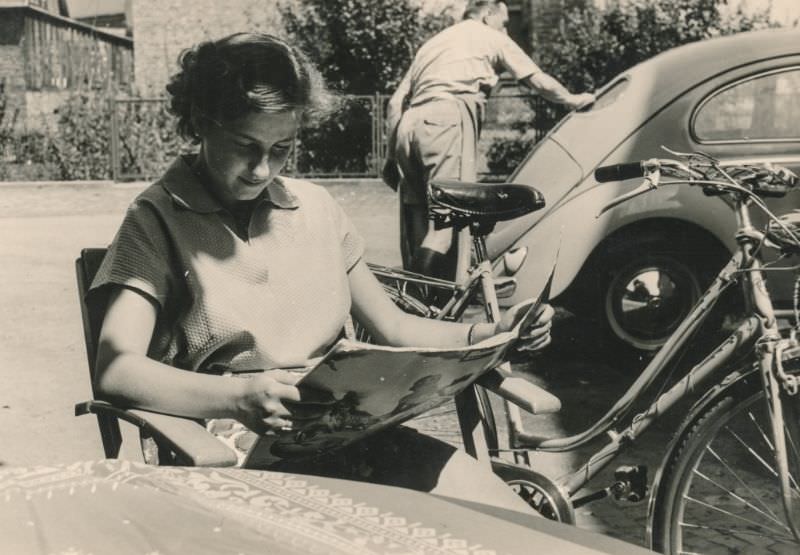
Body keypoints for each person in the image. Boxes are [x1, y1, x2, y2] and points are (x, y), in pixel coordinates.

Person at [90, 32, 554, 513]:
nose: (261, 169)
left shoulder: (314, 208)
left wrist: (493, 330)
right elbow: (117, 369)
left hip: (348, 438)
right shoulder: (157, 218)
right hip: (236, 449)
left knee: (514, 527)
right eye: (245, 145)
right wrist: (237, 397)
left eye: (282, 148)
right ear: (201, 123)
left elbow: (396, 328)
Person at [384, 0, 595, 284]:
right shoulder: (490, 36)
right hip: (447, 119)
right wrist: (571, 99)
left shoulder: (433, 43)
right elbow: (538, 80)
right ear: (488, 15)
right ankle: (412, 308)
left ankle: (421, 308)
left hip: (409, 126)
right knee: (444, 228)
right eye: (505, 23)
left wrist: (389, 158)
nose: (506, 30)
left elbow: (395, 102)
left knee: (421, 224)